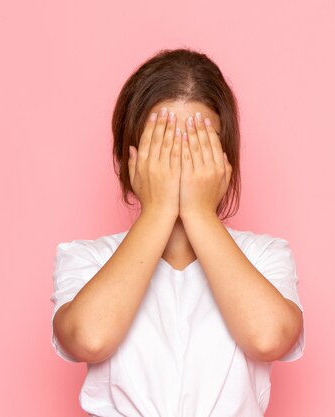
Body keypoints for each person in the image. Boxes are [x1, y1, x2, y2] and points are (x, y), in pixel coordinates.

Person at [50, 48, 305, 417]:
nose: (181, 160)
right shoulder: (87, 258)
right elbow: (90, 338)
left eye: (199, 144)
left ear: (225, 159)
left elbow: (268, 338)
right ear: (129, 156)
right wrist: (158, 209)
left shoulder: (264, 255)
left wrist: (200, 212)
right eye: (163, 144)